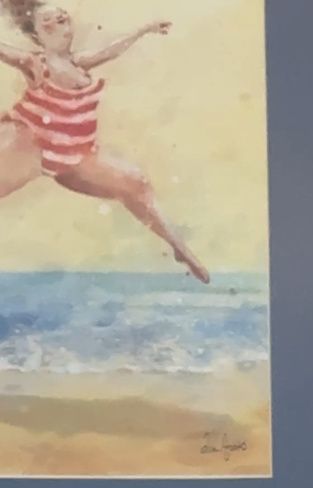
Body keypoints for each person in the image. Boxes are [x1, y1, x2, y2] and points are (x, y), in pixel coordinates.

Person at [0, 3, 208, 281]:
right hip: (34, 147)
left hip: (76, 156)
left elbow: (112, 50)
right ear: (37, 34)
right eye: (50, 23)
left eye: (63, 19)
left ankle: (180, 248)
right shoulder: (35, 62)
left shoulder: (79, 62)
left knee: (136, 184)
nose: (61, 26)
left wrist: (143, 30)